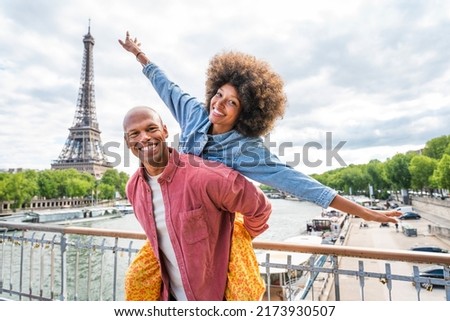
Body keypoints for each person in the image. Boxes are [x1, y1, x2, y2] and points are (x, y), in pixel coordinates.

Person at [119, 31, 401, 299]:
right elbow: (166, 86)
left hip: (216, 223)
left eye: (232, 102)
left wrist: (364, 212)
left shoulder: (246, 148)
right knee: (139, 280)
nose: (219, 104)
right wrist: (139, 54)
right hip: (184, 214)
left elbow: (299, 183)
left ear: (245, 112)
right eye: (219, 94)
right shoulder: (194, 112)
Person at [123, 106, 272, 301]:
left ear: (165, 131)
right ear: (127, 142)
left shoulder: (206, 176)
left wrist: (237, 237)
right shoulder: (133, 189)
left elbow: (260, 207)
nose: (144, 138)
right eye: (135, 133)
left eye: (151, 129)